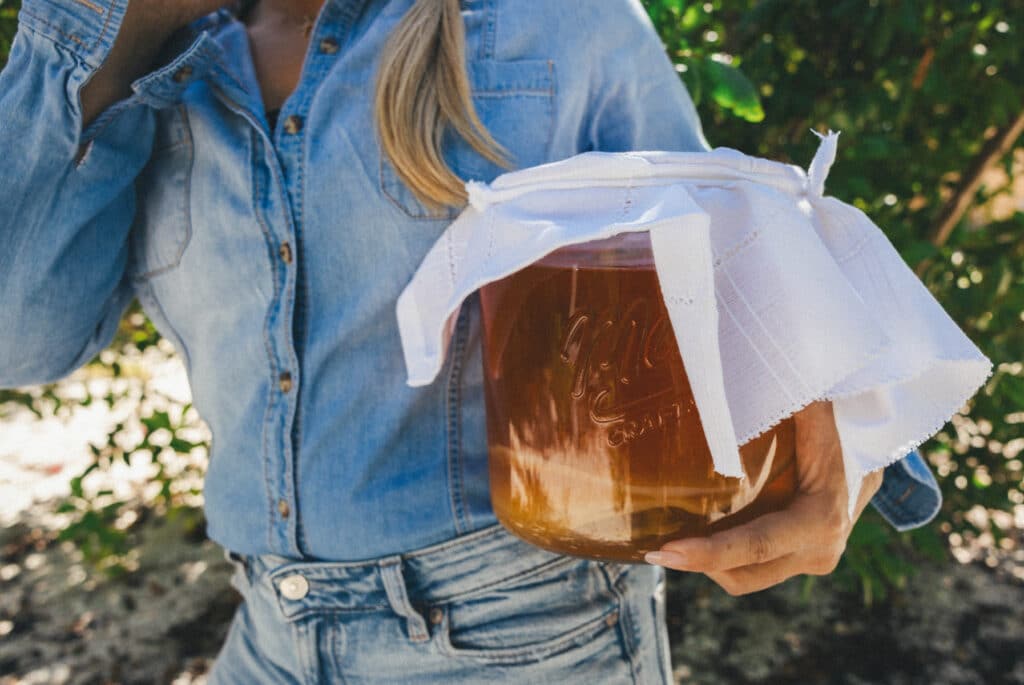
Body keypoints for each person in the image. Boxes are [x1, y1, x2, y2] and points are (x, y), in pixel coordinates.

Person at [0, 0, 943, 681]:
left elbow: (740, 272)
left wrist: (843, 463)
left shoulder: (552, 26)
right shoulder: (143, 65)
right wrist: (103, 44)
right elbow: (19, 342)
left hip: (527, 641)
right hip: (267, 636)